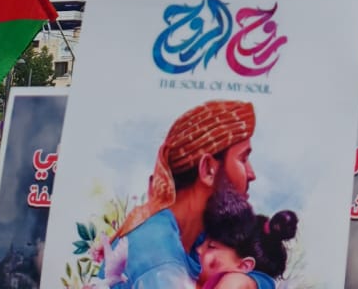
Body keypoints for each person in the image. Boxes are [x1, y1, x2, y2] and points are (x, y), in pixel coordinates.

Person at [118, 100, 260, 289]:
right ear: (208, 169)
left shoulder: (197, 241)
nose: (251, 174)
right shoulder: (161, 262)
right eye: (243, 159)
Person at [194, 197, 297, 289]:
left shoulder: (239, 281)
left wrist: (234, 281)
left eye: (211, 246)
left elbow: (238, 283)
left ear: (244, 266)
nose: (198, 250)